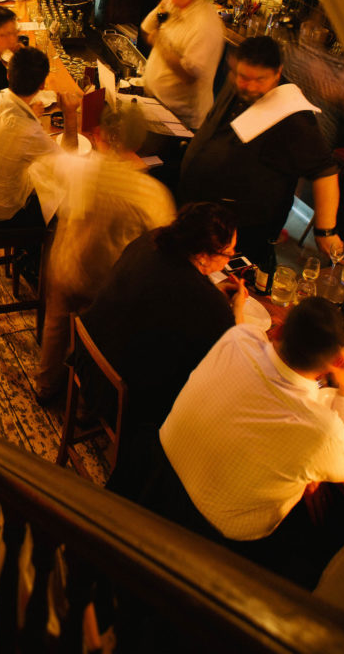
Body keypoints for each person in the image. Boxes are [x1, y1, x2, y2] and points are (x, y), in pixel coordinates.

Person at [158, 297, 344, 588]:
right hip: (222, 536)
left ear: (281, 330)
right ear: (334, 362)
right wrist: (343, 388)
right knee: (323, 530)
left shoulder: (238, 338)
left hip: (159, 472)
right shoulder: (324, 432)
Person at [78, 203, 246, 496]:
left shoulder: (152, 240)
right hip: (116, 398)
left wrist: (213, 298)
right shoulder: (209, 306)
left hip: (87, 355)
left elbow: (164, 298)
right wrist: (237, 310)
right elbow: (235, 354)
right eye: (228, 254)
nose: (229, 260)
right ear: (205, 256)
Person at [33, 103, 176, 403]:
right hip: (106, 285)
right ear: (139, 143)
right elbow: (166, 246)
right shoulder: (152, 195)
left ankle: (46, 386)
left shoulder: (82, 167)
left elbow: (43, 167)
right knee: (100, 341)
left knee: (56, 324)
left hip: (65, 265)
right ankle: (88, 403)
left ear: (101, 135)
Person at [179, 35, 341, 272]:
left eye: (260, 80)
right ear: (233, 67)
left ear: (278, 73)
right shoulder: (237, 85)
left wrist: (325, 231)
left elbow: (325, 171)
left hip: (243, 228)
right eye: (244, 77)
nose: (251, 86)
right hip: (202, 213)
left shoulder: (293, 116)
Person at [0, 46, 81, 224]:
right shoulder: (29, 131)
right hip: (0, 213)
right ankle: (32, 250)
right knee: (63, 198)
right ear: (42, 85)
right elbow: (69, 165)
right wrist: (70, 115)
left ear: (8, 75)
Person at [140, 0, 225, 130]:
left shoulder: (206, 25)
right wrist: (161, 15)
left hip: (181, 120)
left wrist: (161, 43)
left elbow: (188, 76)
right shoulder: (173, 1)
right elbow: (147, 28)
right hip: (156, 102)